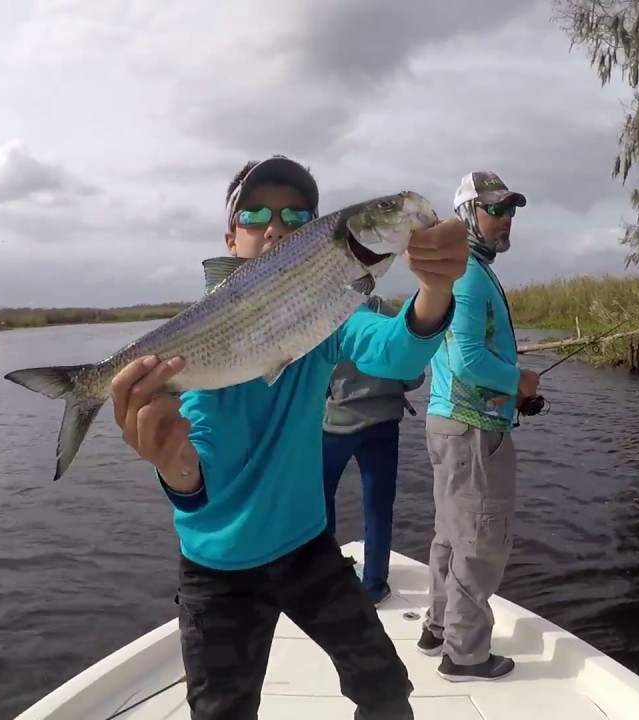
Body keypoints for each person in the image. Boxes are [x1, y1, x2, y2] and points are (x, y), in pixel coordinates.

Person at [107, 155, 469, 720]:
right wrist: (174, 465)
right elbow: (197, 474)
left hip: (307, 547)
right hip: (217, 568)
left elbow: (397, 352)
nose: (274, 227)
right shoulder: (201, 344)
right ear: (230, 240)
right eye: (255, 215)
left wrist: (437, 289)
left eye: (296, 217)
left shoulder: (324, 316)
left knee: (385, 689)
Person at [417, 170, 540, 682]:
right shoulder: (468, 275)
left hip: (450, 424)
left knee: (452, 533)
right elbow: (467, 360)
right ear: (467, 213)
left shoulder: (462, 269)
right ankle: (464, 655)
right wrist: (519, 380)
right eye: (494, 209)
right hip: (471, 429)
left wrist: (512, 387)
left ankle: (437, 629)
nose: (505, 218)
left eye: (509, 209)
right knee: (480, 540)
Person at [322, 294, 425, 606]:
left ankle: (325, 579)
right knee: (379, 508)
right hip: (384, 424)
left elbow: (316, 378)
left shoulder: (327, 315)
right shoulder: (387, 314)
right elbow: (414, 376)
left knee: (320, 502)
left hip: (335, 426)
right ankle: (375, 584)